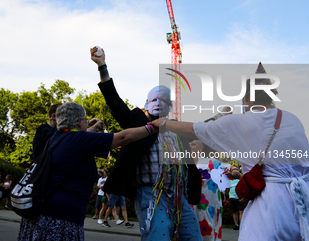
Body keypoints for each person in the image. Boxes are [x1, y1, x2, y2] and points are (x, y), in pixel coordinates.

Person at [151, 63, 309, 241]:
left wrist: (162, 123)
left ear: (247, 98)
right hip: (303, 204)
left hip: (272, 208)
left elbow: (196, 129)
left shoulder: (245, 120)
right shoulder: (292, 119)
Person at [91, 46, 205, 241]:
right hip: (150, 193)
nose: (159, 103)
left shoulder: (177, 127)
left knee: (193, 236)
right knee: (158, 236)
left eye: (164, 100)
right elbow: (114, 102)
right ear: (146, 104)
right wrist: (102, 66)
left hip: (178, 196)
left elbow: (203, 130)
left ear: (170, 106)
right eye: (154, 99)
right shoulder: (137, 121)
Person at [17, 102, 158, 241]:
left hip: (40, 218)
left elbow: (64, 168)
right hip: (59, 221)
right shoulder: (77, 139)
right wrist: (152, 127)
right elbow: (123, 137)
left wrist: (94, 171)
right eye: (85, 119)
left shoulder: (55, 139)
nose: (86, 122)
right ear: (79, 121)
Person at [226, 165, 245, 230]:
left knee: (241, 211)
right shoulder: (229, 180)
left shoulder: (240, 178)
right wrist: (229, 196)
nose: (235, 170)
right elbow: (228, 189)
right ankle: (236, 225)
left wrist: (242, 197)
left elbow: (243, 188)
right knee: (235, 211)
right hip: (232, 197)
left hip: (239, 198)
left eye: (236, 169)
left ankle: (241, 225)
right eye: (233, 169)